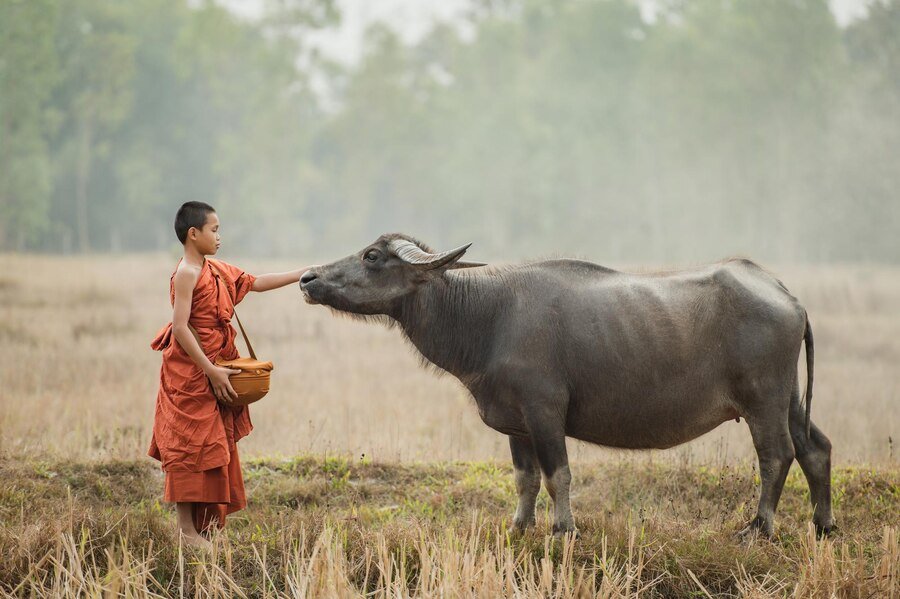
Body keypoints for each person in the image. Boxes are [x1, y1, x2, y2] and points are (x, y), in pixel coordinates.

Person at [148, 201, 313, 549]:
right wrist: (210, 371)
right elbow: (180, 328)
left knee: (215, 445)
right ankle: (185, 530)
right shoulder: (187, 273)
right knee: (190, 445)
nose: (219, 237)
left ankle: (205, 527)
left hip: (220, 369)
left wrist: (305, 272)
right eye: (214, 230)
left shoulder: (217, 269)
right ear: (194, 234)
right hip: (192, 375)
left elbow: (256, 282)